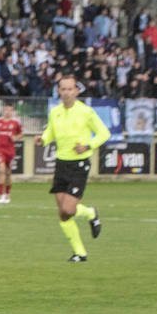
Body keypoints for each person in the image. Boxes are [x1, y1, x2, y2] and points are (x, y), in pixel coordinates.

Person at [36, 74, 107, 262]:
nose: (66, 92)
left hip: (79, 164)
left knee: (68, 208)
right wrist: (42, 139)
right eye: (63, 89)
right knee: (63, 213)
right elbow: (50, 132)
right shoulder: (55, 112)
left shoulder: (86, 112)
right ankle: (80, 253)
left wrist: (88, 146)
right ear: (59, 91)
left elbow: (104, 133)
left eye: (70, 89)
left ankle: (91, 213)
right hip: (61, 164)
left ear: (76, 91)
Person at [0, 104, 23, 203]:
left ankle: (7, 194)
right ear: (3, 111)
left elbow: (21, 134)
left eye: (9, 110)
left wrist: (16, 138)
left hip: (10, 150)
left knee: (8, 173)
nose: (7, 112)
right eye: (6, 110)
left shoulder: (15, 122)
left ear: (12, 111)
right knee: (1, 170)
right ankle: (0, 194)